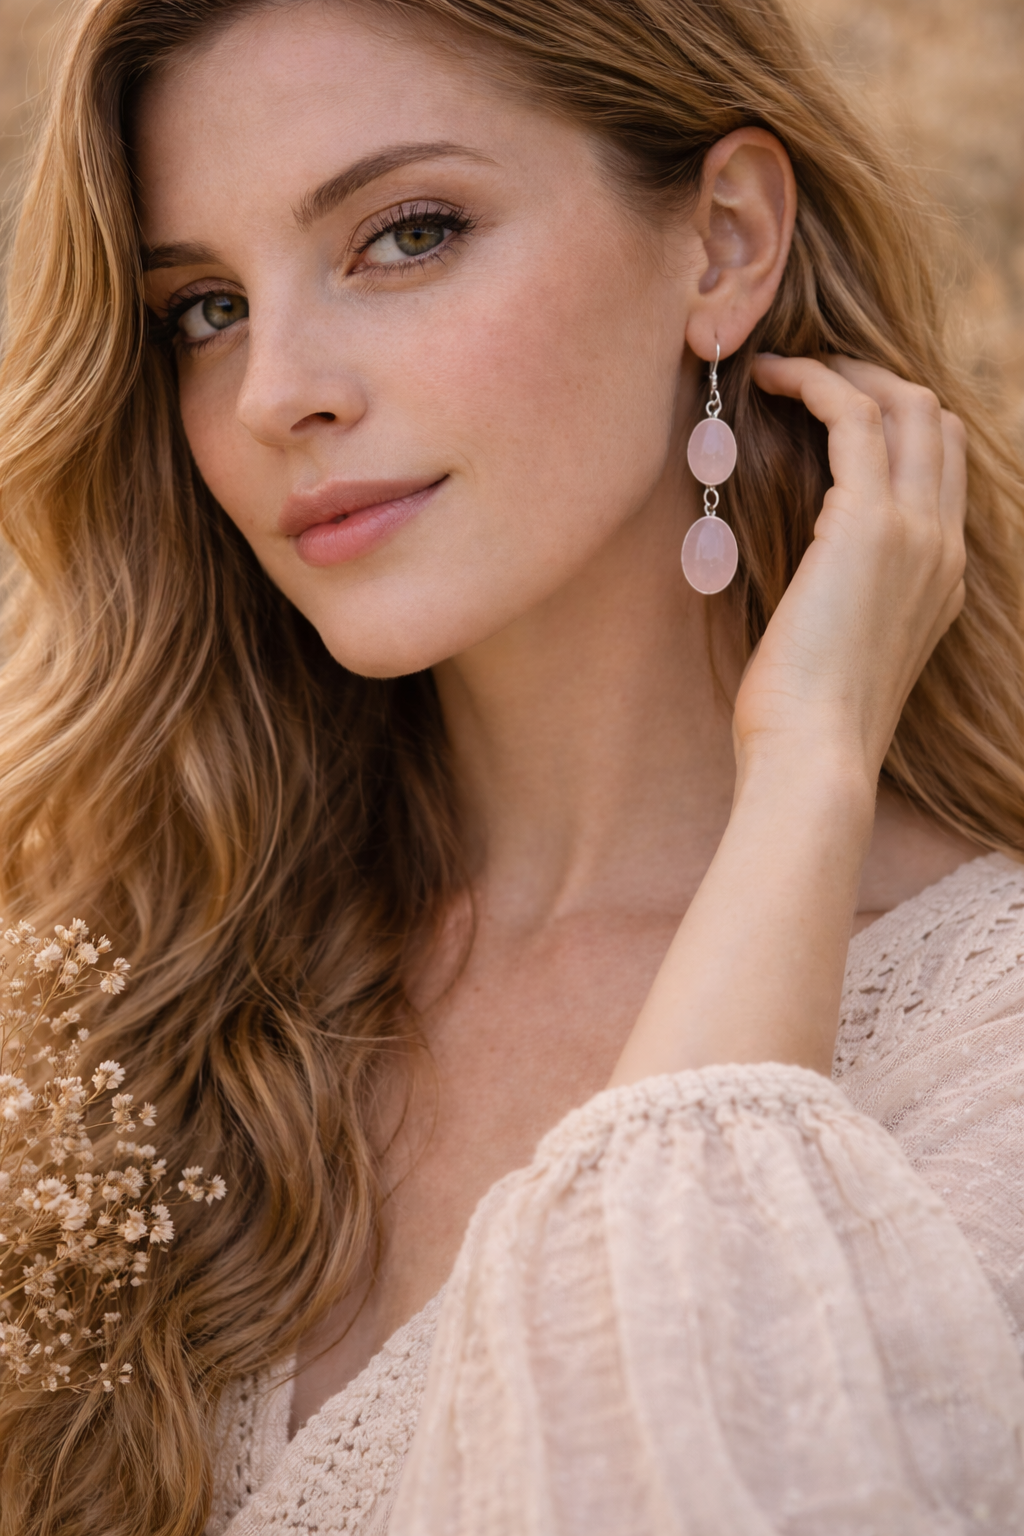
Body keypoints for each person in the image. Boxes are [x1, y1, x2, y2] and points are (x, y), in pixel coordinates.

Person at [1, 0, 1024, 1530]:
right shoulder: (127, 971)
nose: (278, 391)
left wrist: (810, 770)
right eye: (203, 308)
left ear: (724, 243)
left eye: (405, 233)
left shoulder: (984, 1047)